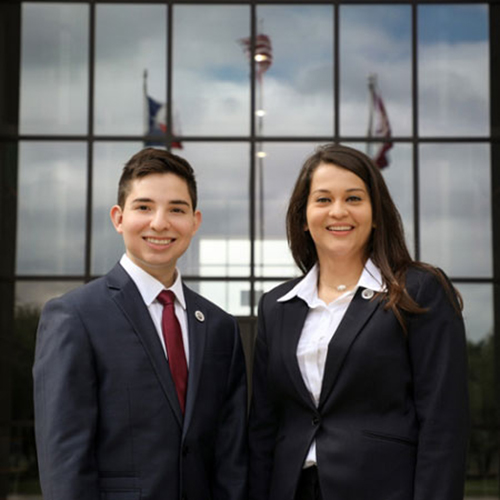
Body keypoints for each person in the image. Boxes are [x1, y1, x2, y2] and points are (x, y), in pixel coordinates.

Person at [248, 144, 469, 500]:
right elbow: (263, 427)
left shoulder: (419, 290)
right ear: (303, 217)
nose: (338, 211)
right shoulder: (277, 306)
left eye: (353, 198)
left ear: (375, 212)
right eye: (322, 200)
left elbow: (443, 424)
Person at [33, 147, 248, 500]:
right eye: (144, 207)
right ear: (118, 218)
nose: (160, 222)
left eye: (176, 209)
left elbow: (231, 454)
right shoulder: (75, 317)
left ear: (195, 222)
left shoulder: (219, 326)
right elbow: (65, 457)